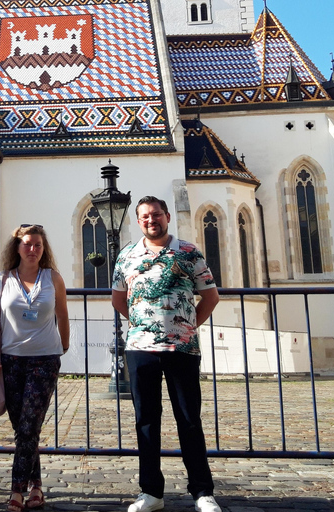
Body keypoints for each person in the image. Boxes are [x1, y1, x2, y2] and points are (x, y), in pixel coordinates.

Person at [111, 196, 221, 512]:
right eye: (145, 216)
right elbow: (119, 300)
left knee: (189, 420)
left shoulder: (188, 252)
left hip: (183, 349)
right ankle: (151, 493)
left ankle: (202, 492)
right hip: (140, 349)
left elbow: (211, 297)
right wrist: (143, 324)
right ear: (138, 221)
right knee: (146, 421)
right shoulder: (127, 256)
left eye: (156, 214)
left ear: (167, 216)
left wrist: (186, 326)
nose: (151, 220)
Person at [0, 224, 70, 512]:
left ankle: (17, 490)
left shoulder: (52, 278)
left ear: (44, 250)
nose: (33, 250)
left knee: (30, 423)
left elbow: (63, 315)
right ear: (17, 247)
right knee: (23, 429)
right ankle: (37, 487)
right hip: (10, 360)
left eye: (38, 245)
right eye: (27, 244)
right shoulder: (2, 279)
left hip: (44, 360)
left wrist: (63, 346)